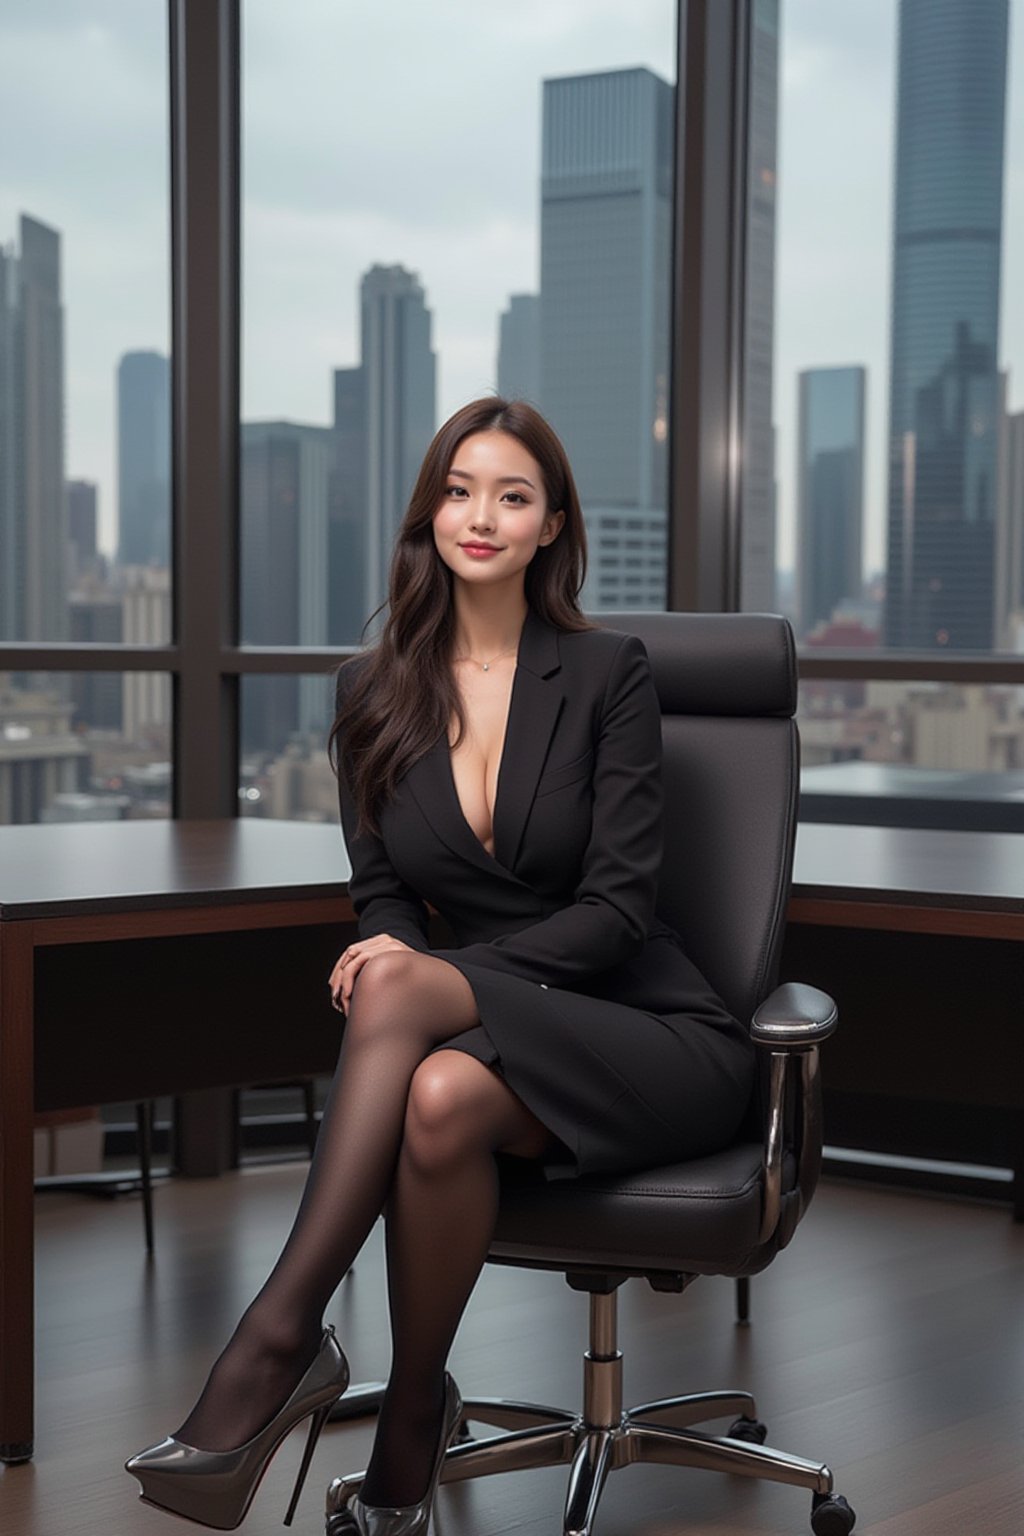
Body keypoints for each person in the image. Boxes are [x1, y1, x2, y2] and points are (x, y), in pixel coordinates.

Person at [126, 398, 754, 1534]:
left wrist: (436, 976)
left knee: (398, 983)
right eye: (461, 489)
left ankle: (277, 1341)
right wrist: (416, 970)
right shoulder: (370, 693)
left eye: (513, 496)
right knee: (433, 1086)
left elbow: (616, 915)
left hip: (648, 1032)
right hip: (485, 1051)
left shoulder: (609, 674)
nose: (482, 515)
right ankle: (410, 1425)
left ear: (551, 525)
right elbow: (380, 897)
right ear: (429, 511)